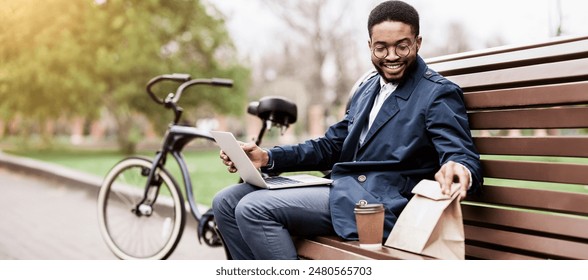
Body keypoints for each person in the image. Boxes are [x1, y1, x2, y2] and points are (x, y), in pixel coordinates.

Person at [212, 0, 482, 260]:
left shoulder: (437, 93)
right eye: (381, 48)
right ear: (369, 46)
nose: (391, 57)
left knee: (253, 208)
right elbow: (330, 146)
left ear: (418, 43)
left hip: (383, 205)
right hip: (345, 189)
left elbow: (460, 154)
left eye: (402, 47)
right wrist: (268, 158)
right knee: (225, 202)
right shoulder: (368, 89)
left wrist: (459, 167)